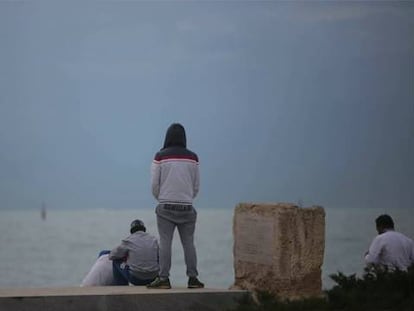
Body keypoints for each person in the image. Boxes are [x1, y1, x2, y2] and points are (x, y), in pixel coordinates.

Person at [147, 123, 204, 289]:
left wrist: (161, 199)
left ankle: (164, 279)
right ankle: (193, 279)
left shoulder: (160, 156)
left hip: (165, 207)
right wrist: (187, 198)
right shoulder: (193, 158)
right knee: (189, 243)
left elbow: (154, 184)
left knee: (165, 243)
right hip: (187, 207)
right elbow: (196, 185)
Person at [109, 219, 160, 285]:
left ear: (132, 230)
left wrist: (126, 257)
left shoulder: (129, 240)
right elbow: (161, 257)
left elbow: (112, 256)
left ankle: (121, 287)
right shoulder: (154, 239)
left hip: (136, 279)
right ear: (144, 229)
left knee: (116, 261)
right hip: (154, 278)